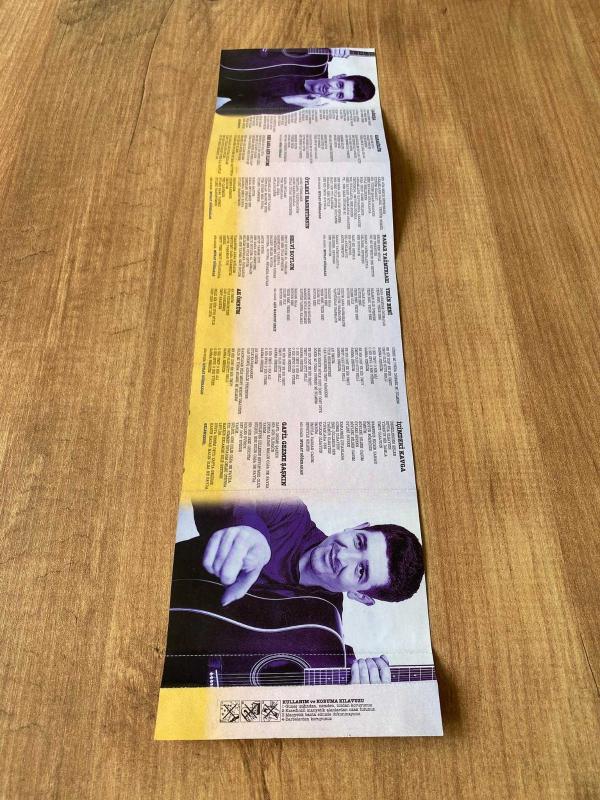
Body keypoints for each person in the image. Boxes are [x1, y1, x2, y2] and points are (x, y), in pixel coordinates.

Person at [172, 498, 424, 683]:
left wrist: (354, 689)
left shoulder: (325, 638)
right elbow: (226, 490)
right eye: (359, 542)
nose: (342, 556)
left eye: (360, 571)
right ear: (356, 527)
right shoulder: (289, 512)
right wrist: (249, 529)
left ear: (361, 595)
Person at [216, 47, 376, 116]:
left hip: (217, 82)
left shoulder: (297, 103)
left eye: (339, 95)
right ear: (339, 76)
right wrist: (327, 45)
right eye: (339, 85)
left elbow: (228, 109)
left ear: (339, 101)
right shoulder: (317, 58)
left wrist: (290, 100)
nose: (330, 90)